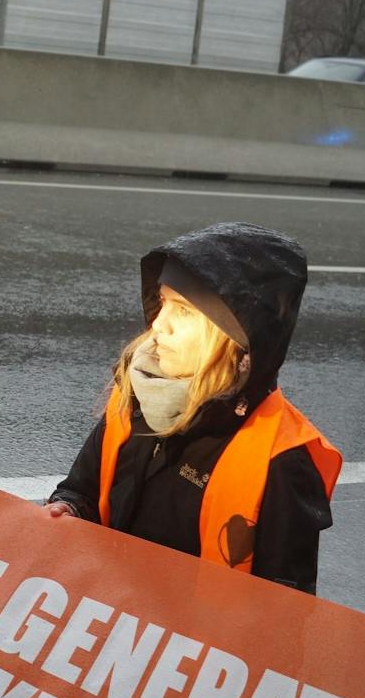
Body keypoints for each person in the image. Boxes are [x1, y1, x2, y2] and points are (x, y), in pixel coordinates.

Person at [46, 223, 341, 594]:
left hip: (191, 647)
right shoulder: (134, 396)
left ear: (236, 339)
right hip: (114, 626)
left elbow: (284, 611)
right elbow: (82, 491)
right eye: (163, 301)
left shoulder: (282, 459)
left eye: (183, 311)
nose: (158, 324)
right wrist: (67, 508)